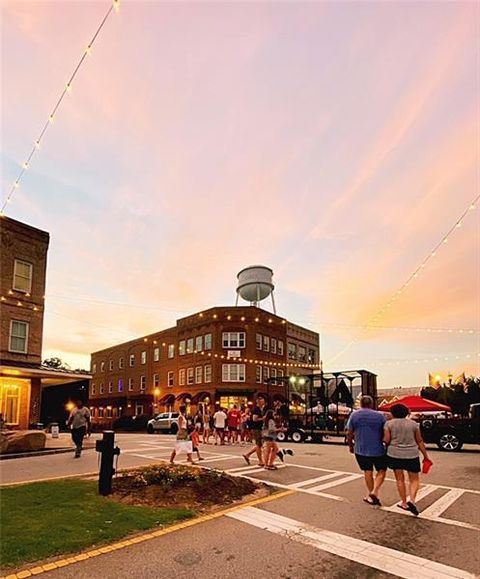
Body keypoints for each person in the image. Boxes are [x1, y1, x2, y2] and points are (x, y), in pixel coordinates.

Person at [384, 403, 431, 516]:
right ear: (406, 413)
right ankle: (412, 500)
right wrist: (425, 455)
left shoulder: (388, 424)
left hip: (394, 454)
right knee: (414, 479)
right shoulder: (414, 424)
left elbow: (386, 440)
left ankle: (404, 503)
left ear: (393, 413)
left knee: (400, 479)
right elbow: (419, 440)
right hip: (412, 454)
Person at [346, 395, 387, 505]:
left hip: (361, 448)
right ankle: (375, 492)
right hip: (378, 448)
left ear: (361, 404)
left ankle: (371, 493)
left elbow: (349, 432)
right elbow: (385, 432)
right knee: (382, 470)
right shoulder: (380, 416)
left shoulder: (354, 415)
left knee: (367, 471)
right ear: (371, 404)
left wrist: (351, 445)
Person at [242, 395, 267, 466]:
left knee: (259, 444)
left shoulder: (259, 409)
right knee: (259, 445)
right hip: (256, 429)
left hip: (258, 428)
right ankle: (261, 461)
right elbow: (254, 419)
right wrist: (263, 418)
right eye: (262, 401)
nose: (263, 402)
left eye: (263, 401)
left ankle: (247, 455)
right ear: (258, 402)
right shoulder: (256, 409)